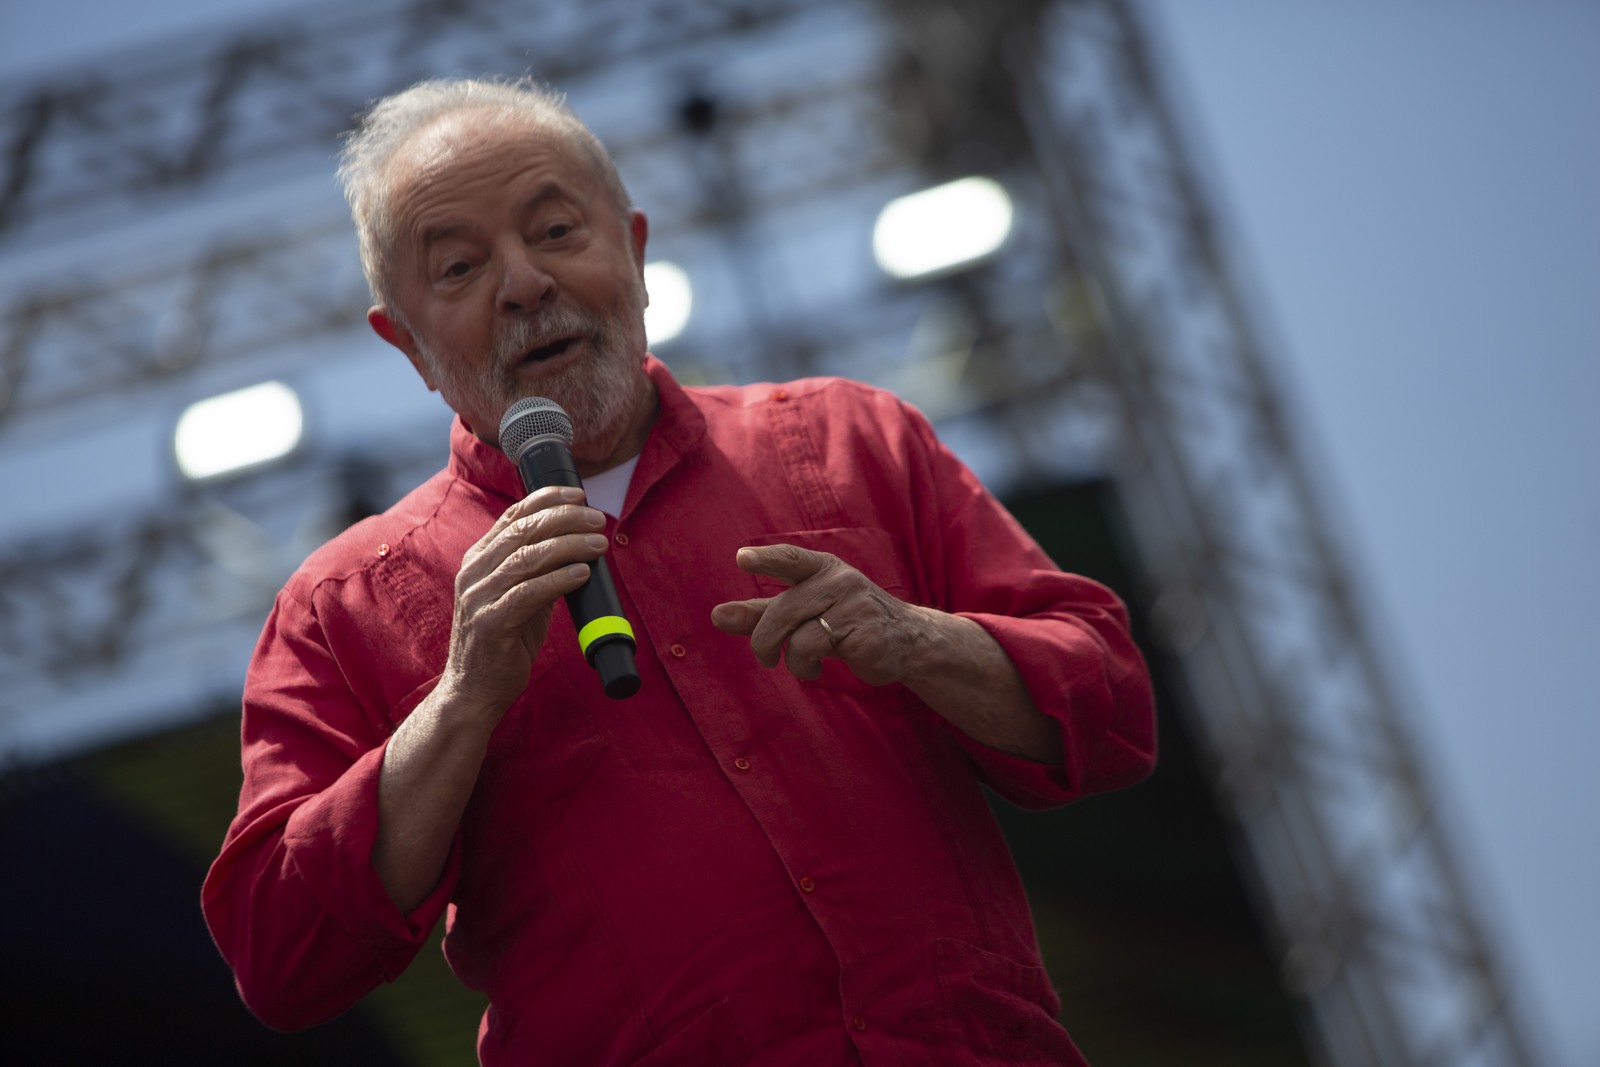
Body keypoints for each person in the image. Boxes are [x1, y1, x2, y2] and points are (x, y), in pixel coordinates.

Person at [202, 76, 1156, 1066]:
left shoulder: (849, 438)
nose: (524, 283)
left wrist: (913, 639)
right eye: (459, 267)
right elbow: (281, 954)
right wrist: (460, 700)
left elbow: (1111, 709)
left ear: (637, 250)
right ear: (405, 342)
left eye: (557, 231)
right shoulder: (340, 606)